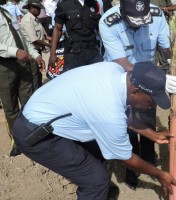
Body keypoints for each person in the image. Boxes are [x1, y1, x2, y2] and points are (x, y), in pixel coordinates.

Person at [13, 61, 176, 199]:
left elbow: (120, 115)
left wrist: (151, 134)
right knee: (95, 180)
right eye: (151, 100)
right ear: (135, 91)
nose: (152, 105)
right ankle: (97, 191)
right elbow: (123, 157)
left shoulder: (114, 70)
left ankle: (101, 193)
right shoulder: (108, 110)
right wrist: (159, 174)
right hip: (37, 135)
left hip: (46, 113)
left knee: (98, 154)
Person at [99, 0, 176, 190]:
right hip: (121, 81)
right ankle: (131, 172)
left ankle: (149, 163)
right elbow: (120, 61)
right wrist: (160, 79)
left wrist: (175, 65)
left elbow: (165, 46)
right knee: (128, 127)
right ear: (122, 12)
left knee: (147, 123)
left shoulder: (155, 14)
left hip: (149, 78)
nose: (139, 25)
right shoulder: (108, 22)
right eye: (133, 21)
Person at [0, 3, 45, 157]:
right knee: (11, 107)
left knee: (29, 101)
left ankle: (32, 135)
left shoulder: (6, 12)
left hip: (23, 63)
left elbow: (21, 38)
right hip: (4, 66)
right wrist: (15, 51)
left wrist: (35, 54)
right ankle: (17, 141)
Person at [49, 0, 103, 72]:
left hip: (92, 51)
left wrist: (108, 45)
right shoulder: (64, 5)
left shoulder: (94, 4)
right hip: (74, 53)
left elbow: (99, 28)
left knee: (97, 77)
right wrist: (52, 53)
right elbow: (57, 29)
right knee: (73, 80)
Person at [20, 0, 51, 90]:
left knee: (38, 72)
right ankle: (36, 92)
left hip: (38, 50)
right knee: (35, 74)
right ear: (32, 8)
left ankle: (39, 89)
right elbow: (35, 40)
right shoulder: (27, 20)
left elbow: (44, 35)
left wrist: (52, 39)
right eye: (38, 9)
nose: (40, 11)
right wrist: (50, 45)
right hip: (32, 51)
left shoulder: (35, 19)